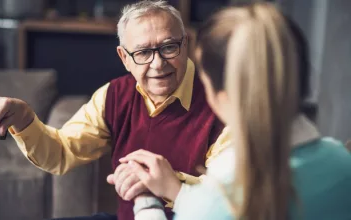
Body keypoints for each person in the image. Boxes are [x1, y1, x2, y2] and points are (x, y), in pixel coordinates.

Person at [0, 1, 230, 220]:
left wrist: (170, 183)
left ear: (185, 43)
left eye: (168, 48)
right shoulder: (113, 95)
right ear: (124, 58)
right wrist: (25, 119)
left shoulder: (221, 102)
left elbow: (231, 202)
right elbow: (62, 152)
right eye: (143, 52)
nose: (158, 63)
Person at [119, 2, 351, 220]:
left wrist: (146, 202)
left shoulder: (211, 206)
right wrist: (178, 192)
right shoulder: (343, 163)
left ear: (223, 95)